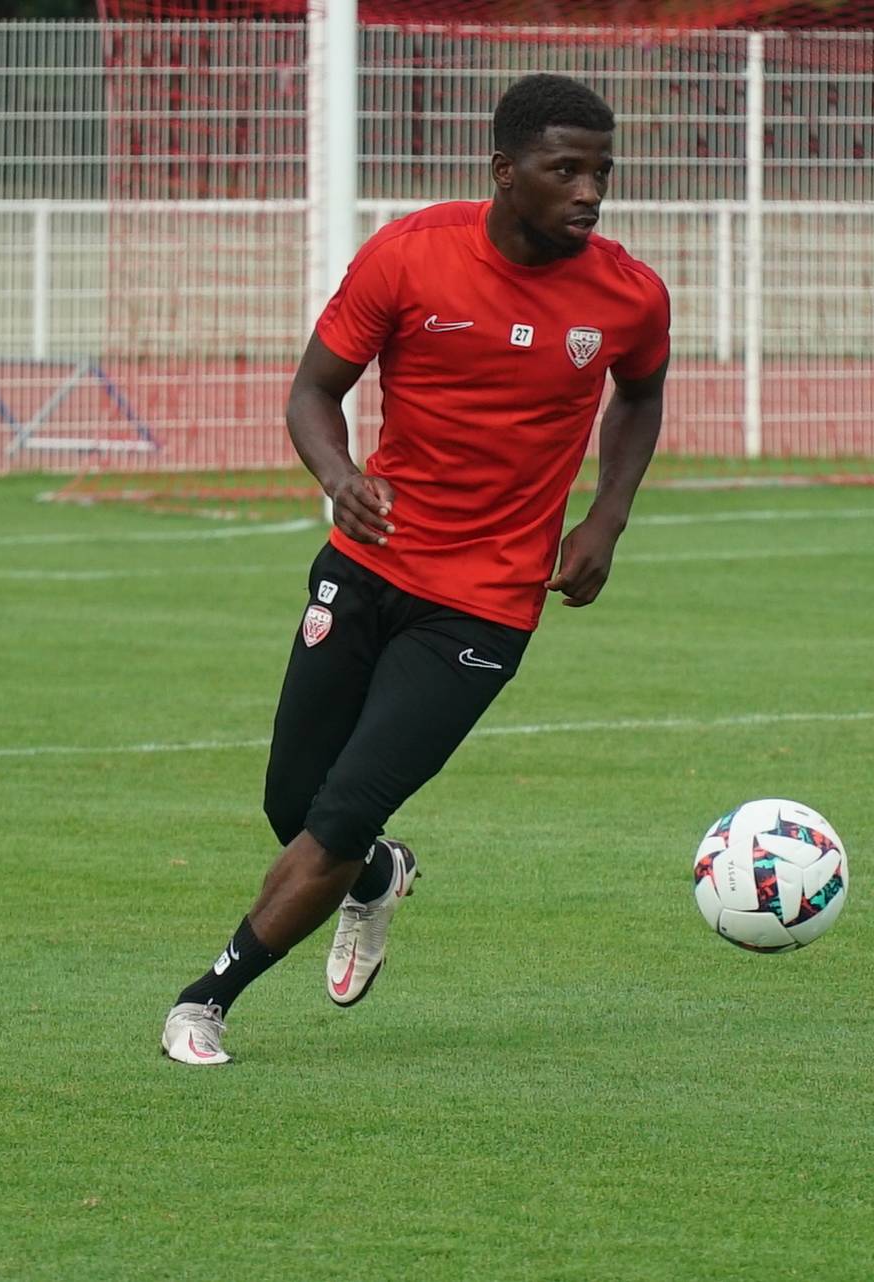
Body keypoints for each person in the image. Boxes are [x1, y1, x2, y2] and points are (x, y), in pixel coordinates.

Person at [162, 72, 671, 1065]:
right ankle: (377, 876)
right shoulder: (409, 255)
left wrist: (606, 519)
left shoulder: (629, 293)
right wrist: (339, 475)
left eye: (602, 172)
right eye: (565, 170)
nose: (590, 192)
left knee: (342, 812)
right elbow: (313, 391)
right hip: (368, 567)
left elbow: (641, 395)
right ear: (504, 171)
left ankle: (205, 1001)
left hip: (484, 607)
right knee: (293, 806)